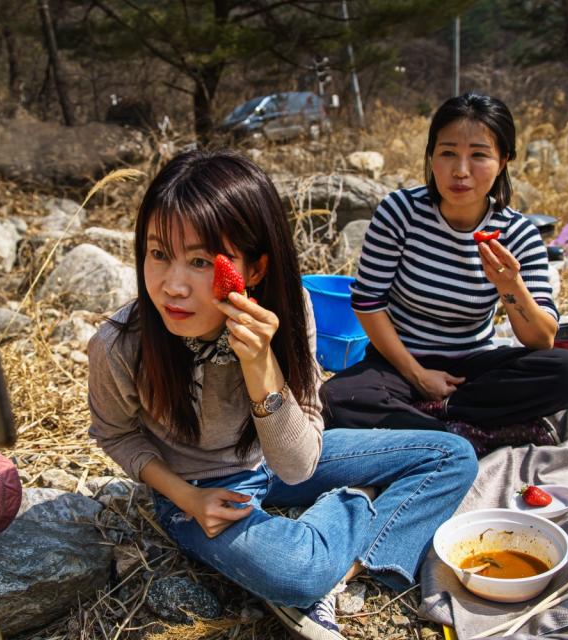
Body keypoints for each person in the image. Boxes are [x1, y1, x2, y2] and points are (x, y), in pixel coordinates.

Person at [87, 150, 478, 640]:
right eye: (158, 253)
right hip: (204, 490)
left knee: (454, 455)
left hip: (282, 456)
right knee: (297, 572)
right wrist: (187, 497)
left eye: (202, 260)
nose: (172, 285)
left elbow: (297, 465)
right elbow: (116, 433)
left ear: (253, 269)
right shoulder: (120, 346)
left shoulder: (292, 312)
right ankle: (356, 511)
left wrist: (259, 364)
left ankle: (347, 552)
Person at [320, 93, 568, 456]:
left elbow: (541, 340)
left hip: (474, 369)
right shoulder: (400, 213)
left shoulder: (518, 233)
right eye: (447, 153)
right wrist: (418, 374)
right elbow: (368, 302)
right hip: (399, 362)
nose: (461, 170)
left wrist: (510, 287)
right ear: (431, 156)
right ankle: (467, 431)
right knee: (336, 399)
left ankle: (437, 423)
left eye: (479, 155)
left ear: (503, 160)